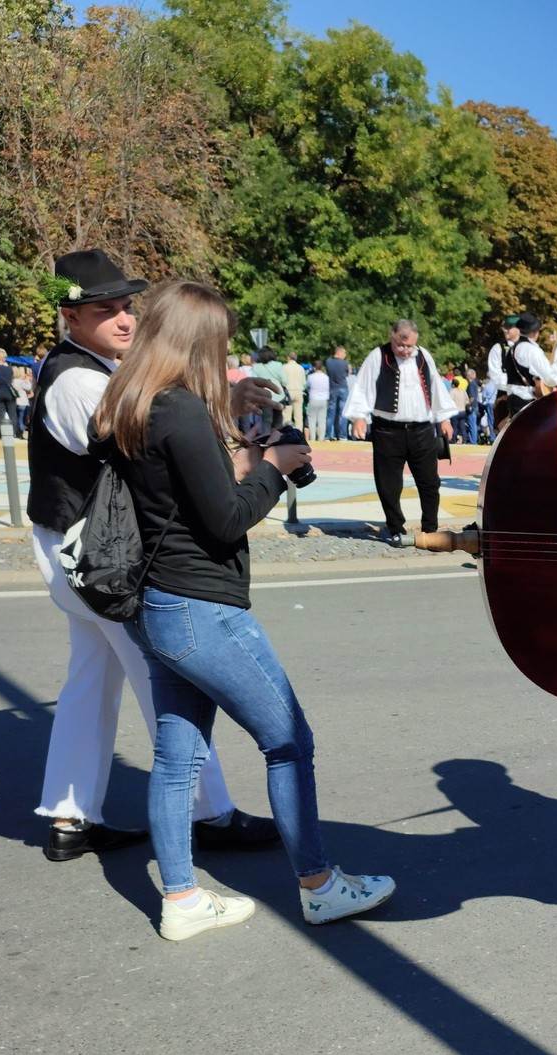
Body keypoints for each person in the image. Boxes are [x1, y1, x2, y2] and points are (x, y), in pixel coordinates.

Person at [94, 280, 395, 939]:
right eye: (221, 343)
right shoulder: (182, 414)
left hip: (156, 602)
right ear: (200, 343)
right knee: (288, 741)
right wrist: (276, 467)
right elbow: (227, 518)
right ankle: (319, 885)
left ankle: (181, 900)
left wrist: (234, 422)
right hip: (203, 607)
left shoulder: (133, 403)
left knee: (179, 754)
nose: (227, 353)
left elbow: (183, 491)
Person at [25, 248, 271, 862]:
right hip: (100, 557)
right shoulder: (77, 380)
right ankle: (209, 812)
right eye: (105, 310)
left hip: (80, 549)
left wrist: (225, 406)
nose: (125, 319)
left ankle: (69, 815)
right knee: (167, 679)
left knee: (92, 677)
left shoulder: (87, 370)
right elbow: (143, 440)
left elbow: (146, 422)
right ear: (70, 316)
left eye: (127, 306)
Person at [346, 319, 461, 547]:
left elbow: (436, 386)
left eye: (409, 346)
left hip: (422, 430)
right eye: (401, 345)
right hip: (388, 431)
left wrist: (444, 418)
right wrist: (359, 416)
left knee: (430, 482)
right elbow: (362, 387)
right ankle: (396, 528)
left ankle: (430, 528)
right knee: (389, 484)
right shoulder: (378, 356)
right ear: (392, 337)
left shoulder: (423, 356)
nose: (405, 350)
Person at [491, 313, 557, 427]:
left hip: (514, 397)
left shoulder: (513, 349)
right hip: (526, 399)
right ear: (535, 332)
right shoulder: (531, 350)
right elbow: (550, 377)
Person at [0, 350, 21, 438]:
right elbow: (11, 380)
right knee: (12, 414)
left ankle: (2, 434)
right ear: (4, 359)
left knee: (0, 415)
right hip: (9, 393)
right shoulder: (9, 369)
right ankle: (13, 433)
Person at [324, 345, 350, 440]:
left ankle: (328, 435)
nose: (345, 355)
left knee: (331, 413)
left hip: (332, 388)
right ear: (339, 352)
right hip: (343, 387)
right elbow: (347, 373)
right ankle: (342, 435)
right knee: (342, 413)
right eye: (344, 353)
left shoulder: (328, 362)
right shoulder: (344, 363)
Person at [278, 351, 307, 432]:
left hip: (288, 392)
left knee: (287, 415)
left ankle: (287, 433)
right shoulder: (300, 368)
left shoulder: (284, 367)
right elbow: (304, 383)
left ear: (288, 357)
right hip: (299, 391)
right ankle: (299, 433)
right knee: (298, 415)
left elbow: (282, 381)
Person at [305, 359, 330, 441]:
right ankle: (321, 438)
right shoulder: (326, 377)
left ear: (314, 367)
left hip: (313, 399)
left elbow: (307, 387)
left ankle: (312, 438)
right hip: (324, 400)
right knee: (322, 420)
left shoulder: (310, 377)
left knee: (312, 420)